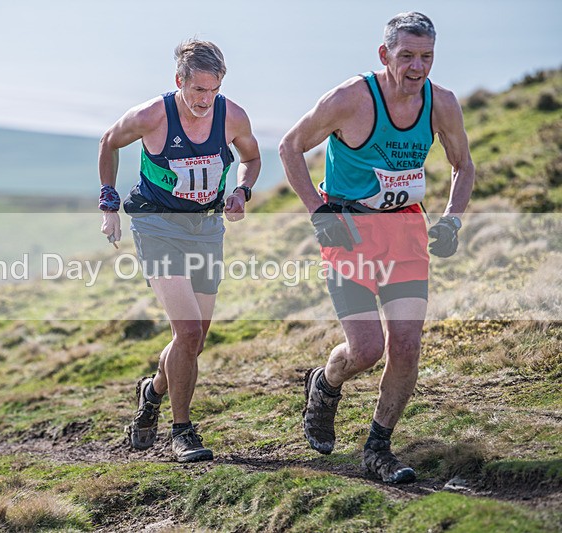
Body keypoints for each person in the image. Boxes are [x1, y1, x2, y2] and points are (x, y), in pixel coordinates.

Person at [279, 12, 474, 483]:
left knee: (406, 347)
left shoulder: (441, 103)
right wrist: (317, 211)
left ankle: (377, 448)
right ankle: (324, 387)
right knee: (366, 349)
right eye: (406, 55)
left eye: (426, 57)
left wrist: (452, 218)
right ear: (383, 54)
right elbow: (290, 146)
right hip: (349, 228)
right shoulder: (351, 99)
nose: (417, 67)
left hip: (405, 229)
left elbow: (463, 166)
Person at [98, 38, 261, 463]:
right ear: (179, 81)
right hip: (157, 225)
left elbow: (252, 158)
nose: (206, 100)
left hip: (206, 229)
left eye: (213, 90)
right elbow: (109, 142)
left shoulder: (232, 116)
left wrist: (243, 190)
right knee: (187, 332)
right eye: (197, 90)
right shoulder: (152, 115)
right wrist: (109, 203)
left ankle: (151, 393)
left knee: (195, 340)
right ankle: (182, 431)